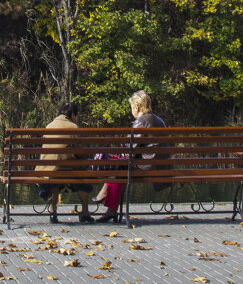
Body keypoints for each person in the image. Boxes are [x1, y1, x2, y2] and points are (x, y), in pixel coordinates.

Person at [94, 90, 165, 223]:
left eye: (131, 107)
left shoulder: (141, 121)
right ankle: (109, 206)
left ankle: (109, 207)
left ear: (137, 107)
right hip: (162, 166)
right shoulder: (159, 120)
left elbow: (129, 151)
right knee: (120, 168)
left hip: (147, 167)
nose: (131, 111)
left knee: (119, 169)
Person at [36, 102, 96, 224]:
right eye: (77, 116)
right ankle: (85, 212)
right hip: (70, 172)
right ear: (73, 115)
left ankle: (53, 211)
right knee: (84, 173)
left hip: (48, 172)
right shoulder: (74, 128)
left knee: (54, 171)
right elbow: (83, 154)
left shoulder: (49, 127)